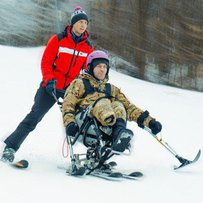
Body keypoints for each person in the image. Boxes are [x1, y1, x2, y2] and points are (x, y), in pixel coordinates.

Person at [1, 6, 94, 162]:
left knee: (81, 120)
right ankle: (10, 147)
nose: (83, 25)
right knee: (34, 117)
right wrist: (49, 79)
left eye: (85, 22)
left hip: (70, 91)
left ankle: (94, 155)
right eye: (80, 22)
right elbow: (46, 62)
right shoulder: (58, 39)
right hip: (50, 87)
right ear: (73, 23)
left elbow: (87, 70)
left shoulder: (88, 47)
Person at [62, 50, 162, 153]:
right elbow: (68, 103)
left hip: (106, 127)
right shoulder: (79, 83)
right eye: (99, 66)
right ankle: (115, 132)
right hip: (84, 123)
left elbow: (129, 107)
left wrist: (149, 121)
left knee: (119, 104)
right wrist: (69, 123)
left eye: (105, 67)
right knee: (104, 102)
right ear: (90, 67)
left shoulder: (111, 89)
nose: (102, 70)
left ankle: (119, 133)